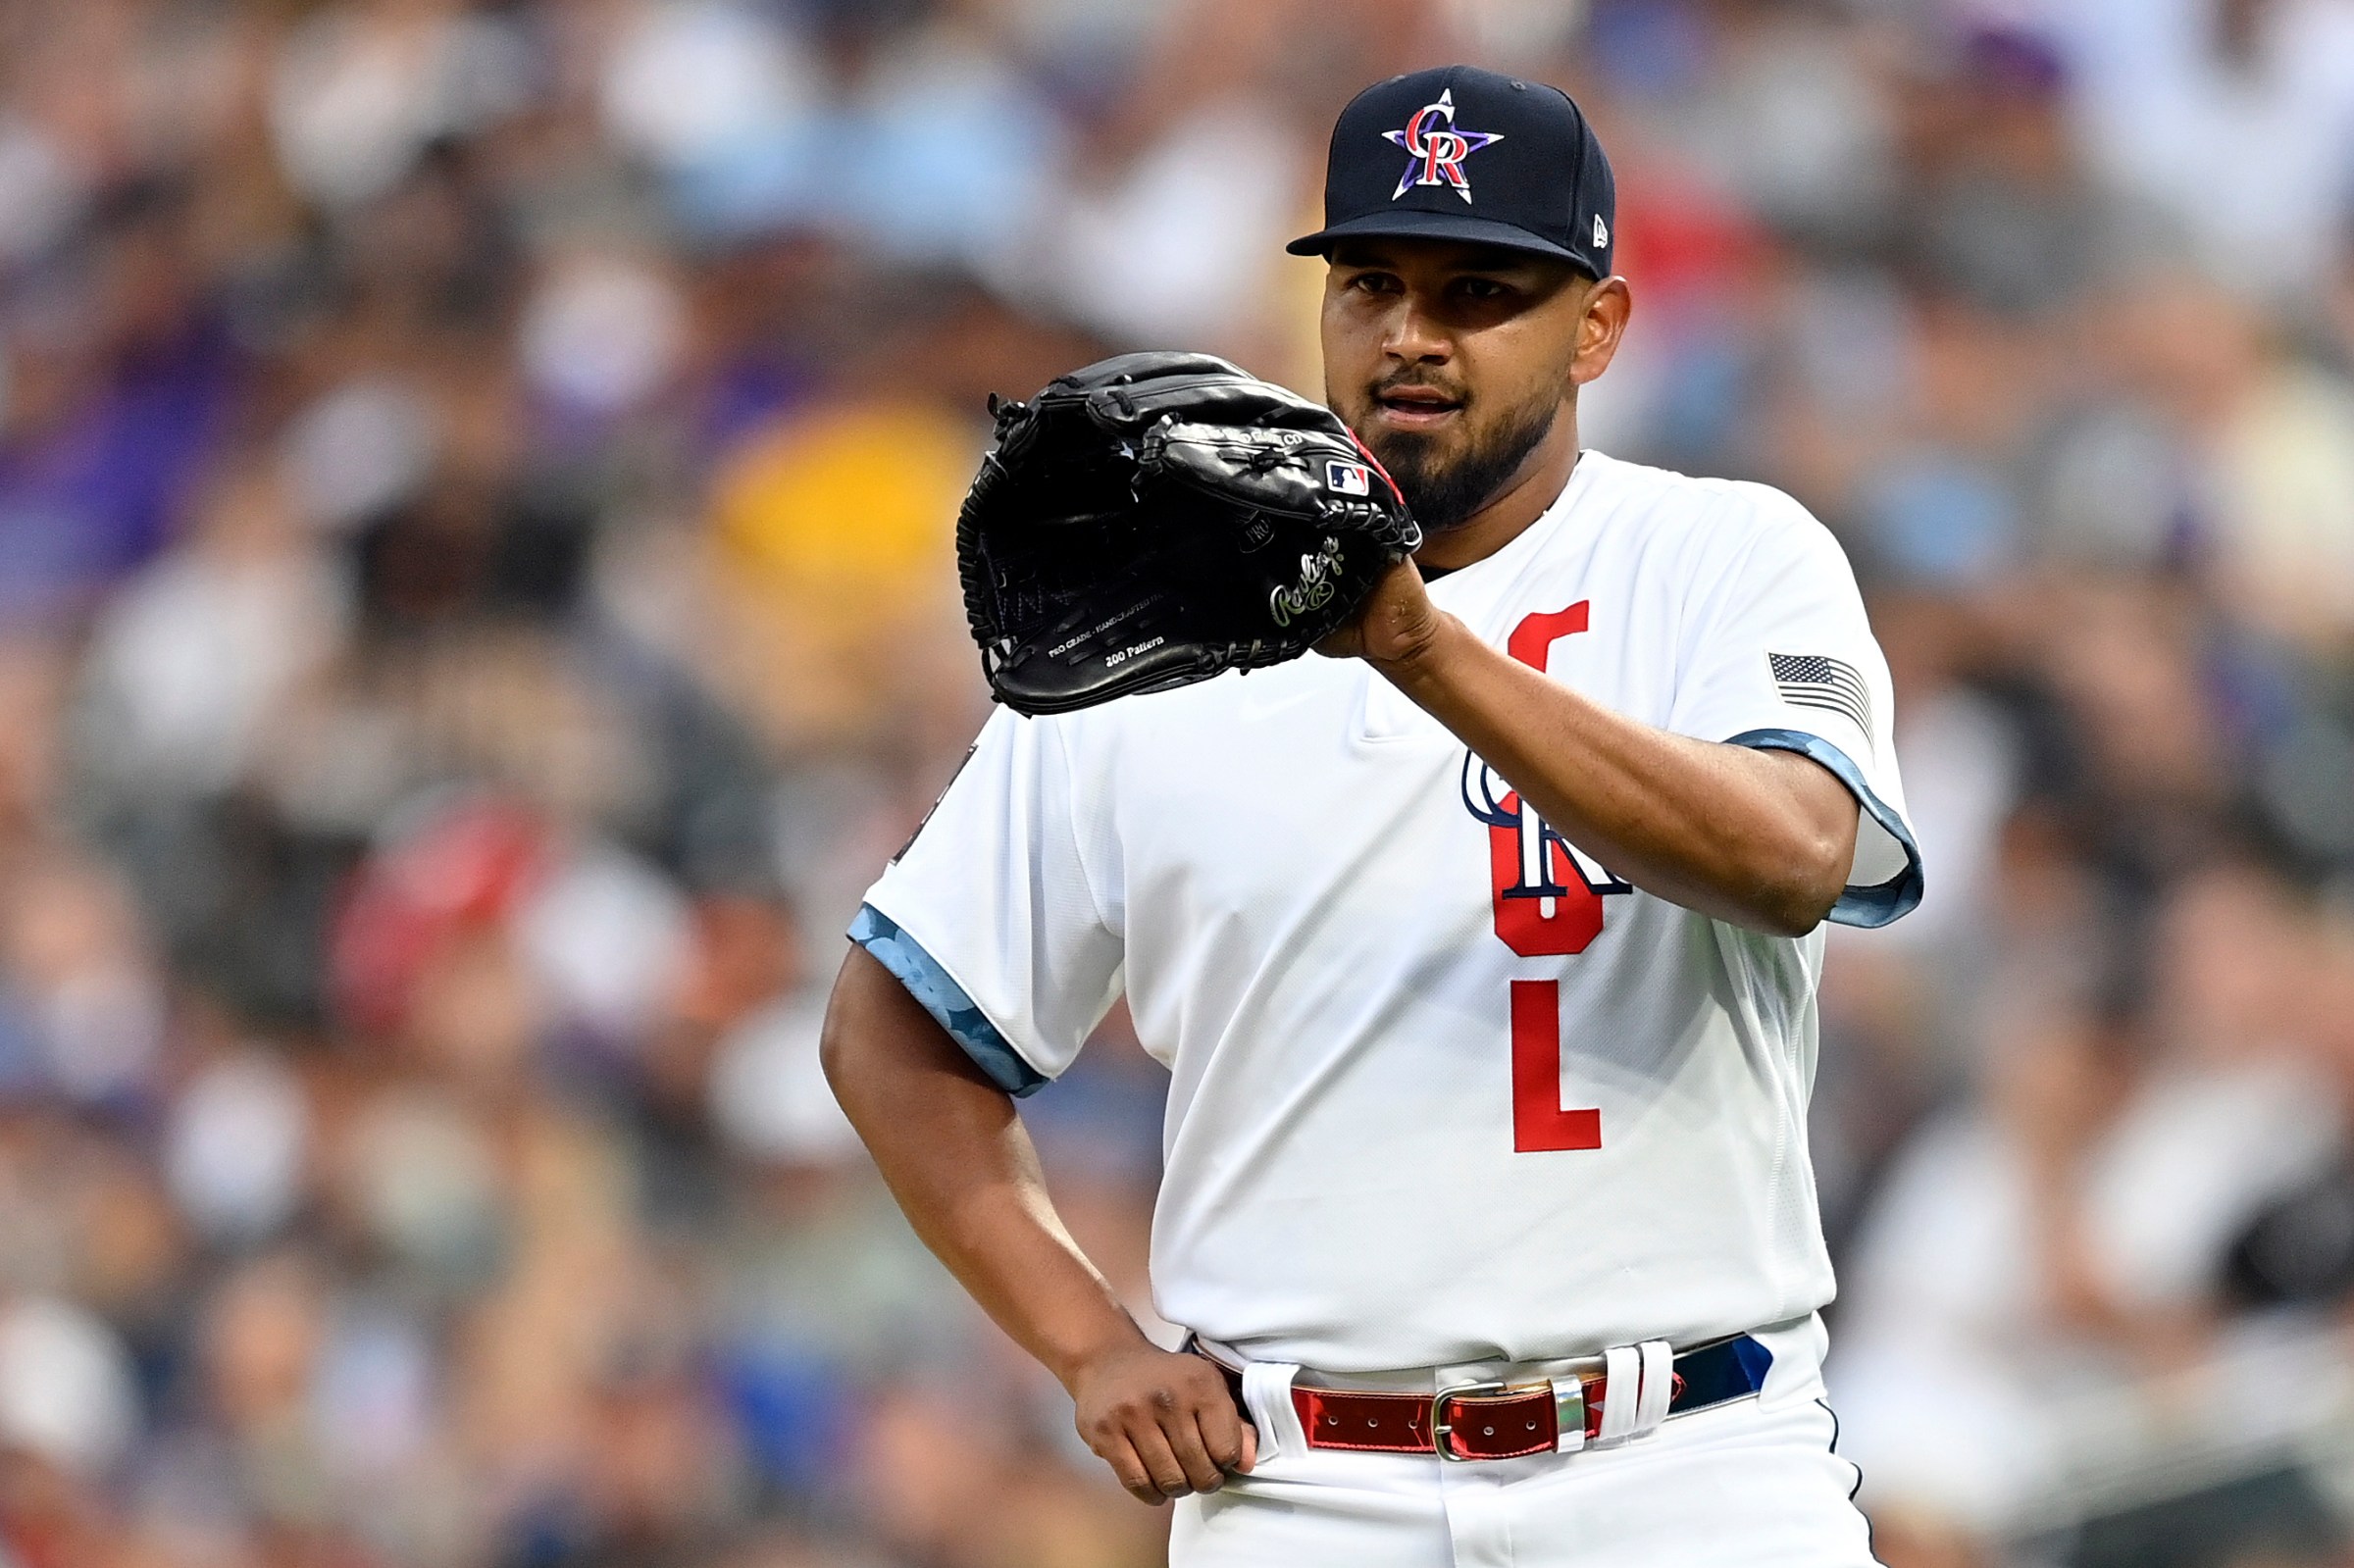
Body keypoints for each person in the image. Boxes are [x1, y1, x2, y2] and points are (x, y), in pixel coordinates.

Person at [821, 64, 1922, 1566]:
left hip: (1685, 1470)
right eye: (1372, 284)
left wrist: (1416, 646)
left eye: (1480, 291)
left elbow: (1795, 856)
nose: (1411, 334)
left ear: (1596, 324)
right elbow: (893, 1031)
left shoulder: (1723, 558)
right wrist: (1091, 1344)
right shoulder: (1165, 624)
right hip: (1306, 1486)